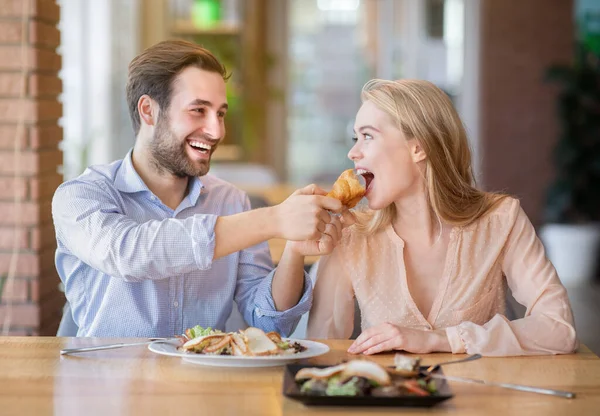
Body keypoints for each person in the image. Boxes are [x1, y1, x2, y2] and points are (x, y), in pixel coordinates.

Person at [52, 40, 344, 337]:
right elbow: (130, 254)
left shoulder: (231, 201)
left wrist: (294, 248)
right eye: (198, 110)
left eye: (220, 113)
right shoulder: (81, 196)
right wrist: (275, 220)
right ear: (149, 111)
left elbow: (267, 322)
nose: (216, 131)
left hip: (205, 380)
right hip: (107, 378)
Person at [306, 79, 578, 356]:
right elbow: (321, 351)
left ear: (418, 148)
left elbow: (559, 330)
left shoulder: (500, 219)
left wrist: (440, 340)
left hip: (482, 396)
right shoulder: (350, 233)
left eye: (368, 136)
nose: (353, 153)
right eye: (356, 138)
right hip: (387, 398)